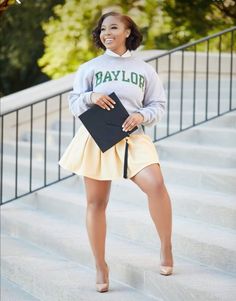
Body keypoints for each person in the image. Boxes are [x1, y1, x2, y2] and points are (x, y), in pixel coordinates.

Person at [59, 11, 173, 293]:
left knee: (156, 185)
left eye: (113, 27)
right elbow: (75, 103)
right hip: (97, 137)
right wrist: (90, 96)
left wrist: (141, 116)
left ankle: (166, 245)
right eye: (102, 29)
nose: (106, 33)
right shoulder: (90, 67)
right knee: (96, 203)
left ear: (127, 32)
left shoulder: (144, 70)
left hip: (133, 138)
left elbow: (157, 105)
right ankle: (100, 265)